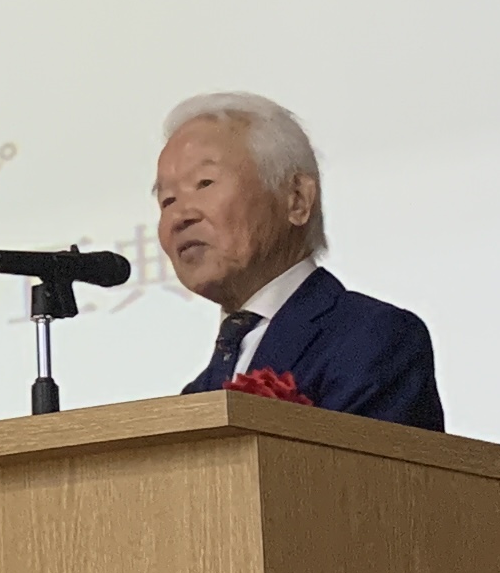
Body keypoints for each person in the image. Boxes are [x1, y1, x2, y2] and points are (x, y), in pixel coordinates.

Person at [152, 92, 443, 431]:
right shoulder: (198, 392)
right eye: (167, 200)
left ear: (297, 199)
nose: (179, 216)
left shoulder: (373, 339)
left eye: (204, 183)